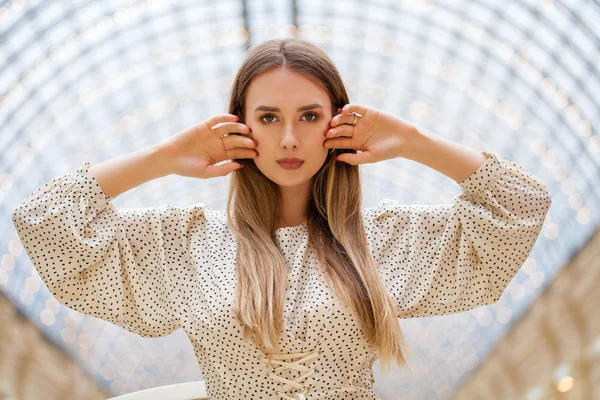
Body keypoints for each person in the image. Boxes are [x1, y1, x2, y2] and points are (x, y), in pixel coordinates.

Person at [11, 38, 552, 400]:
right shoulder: (185, 243)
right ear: (240, 125)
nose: (289, 139)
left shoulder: (381, 241)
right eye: (268, 118)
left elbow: (520, 206)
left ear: (336, 124)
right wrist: (161, 157)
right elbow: (45, 220)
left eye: (309, 116)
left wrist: (414, 142)